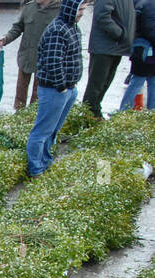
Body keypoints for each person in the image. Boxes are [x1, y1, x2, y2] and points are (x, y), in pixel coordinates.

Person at [28, 0, 85, 176]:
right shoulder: (58, 30)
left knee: (53, 130)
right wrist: (61, 86)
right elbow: (53, 61)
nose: (82, 13)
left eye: (84, 9)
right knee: (42, 130)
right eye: (80, 9)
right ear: (71, 8)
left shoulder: (73, 27)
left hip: (68, 88)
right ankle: (35, 168)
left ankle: (45, 161)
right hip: (55, 89)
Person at [83, 0, 137, 114]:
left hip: (117, 47)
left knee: (105, 83)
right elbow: (102, 16)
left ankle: (95, 112)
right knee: (96, 84)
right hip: (104, 47)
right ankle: (88, 115)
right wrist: (119, 34)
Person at [119, 0, 155, 107]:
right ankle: (125, 111)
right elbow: (150, 30)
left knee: (148, 81)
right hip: (146, 51)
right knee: (138, 81)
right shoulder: (150, 4)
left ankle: (150, 113)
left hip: (142, 50)